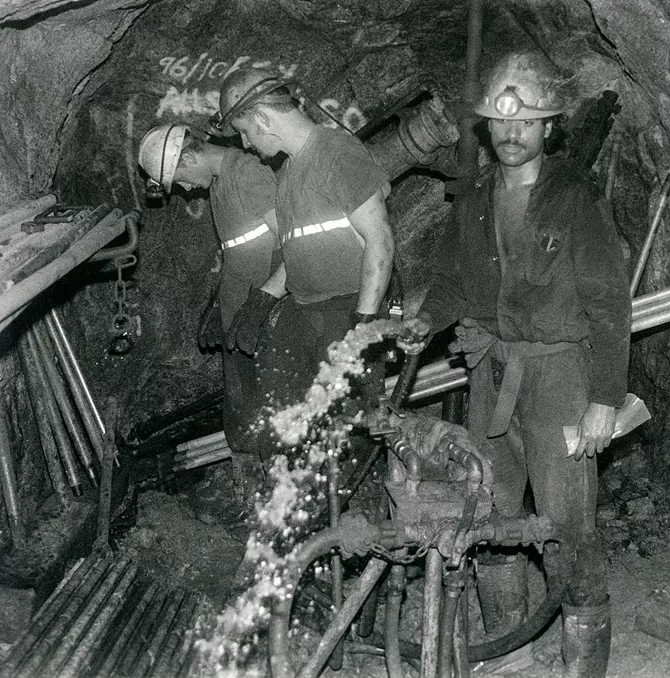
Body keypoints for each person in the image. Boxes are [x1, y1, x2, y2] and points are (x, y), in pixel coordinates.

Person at [410, 51, 632, 678]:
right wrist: (424, 321)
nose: (512, 133)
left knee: (567, 522)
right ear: (486, 127)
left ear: (549, 129)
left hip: (561, 375)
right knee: (492, 509)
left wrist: (604, 398)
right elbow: (452, 281)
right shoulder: (474, 197)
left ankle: (584, 663)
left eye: (527, 122)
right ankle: (512, 648)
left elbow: (609, 302)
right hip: (491, 374)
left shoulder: (574, 197)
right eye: (502, 124)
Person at [212, 68, 394, 408]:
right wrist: (261, 301)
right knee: (291, 424)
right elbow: (298, 254)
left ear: (263, 118)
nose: (246, 144)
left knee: (349, 433)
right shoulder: (289, 172)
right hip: (309, 312)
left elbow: (380, 239)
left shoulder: (337, 153)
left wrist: (362, 328)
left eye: (245, 132)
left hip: (347, 308)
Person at [138, 123, 278, 512]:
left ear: (188, 156)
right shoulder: (219, 184)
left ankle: (281, 505)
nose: (182, 189)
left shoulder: (247, 174)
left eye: (178, 178)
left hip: (266, 320)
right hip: (241, 319)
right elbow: (240, 254)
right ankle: (254, 500)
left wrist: (264, 305)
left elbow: (292, 245)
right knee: (243, 410)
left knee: (272, 414)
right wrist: (220, 305)